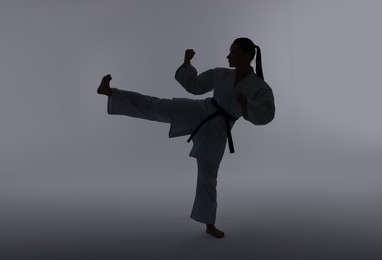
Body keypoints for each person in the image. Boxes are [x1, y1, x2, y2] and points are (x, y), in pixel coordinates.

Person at [97, 37, 275, 239]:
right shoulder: (221, 73)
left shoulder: (260, 87)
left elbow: (267, 114)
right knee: (158, 105)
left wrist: (246, 104)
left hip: (218, 130)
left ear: (246, 56)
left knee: (207, 176)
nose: (228, 56)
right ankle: (111, 92)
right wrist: (187, 64)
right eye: (229, 51)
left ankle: (209, 223)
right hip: (200, 110)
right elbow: (195, 85)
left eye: (233, 52)